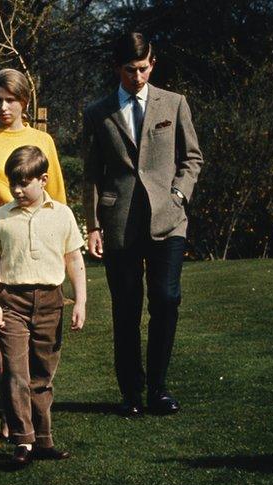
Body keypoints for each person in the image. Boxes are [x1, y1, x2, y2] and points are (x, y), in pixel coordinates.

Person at [82, 32, 203, 417]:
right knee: (127, 308)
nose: (139, 76)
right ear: (118, 68)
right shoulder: (98, 112)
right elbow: (91, 175)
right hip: (119, 221)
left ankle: (159, 389)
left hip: (168, 219)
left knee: (166, 299)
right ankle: (131, 393)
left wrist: (179, 195)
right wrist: (93, 224)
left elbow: (192, 158)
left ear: (153, 62)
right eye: (131, 70)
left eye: (145, 68)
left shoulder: (175, 103)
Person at [0, 145, 86, 465]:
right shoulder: (1, 217)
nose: (16, 190)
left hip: (51, 302)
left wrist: (80, 300)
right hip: (12, 302)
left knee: (42, 375)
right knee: (15, 372)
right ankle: (22, 441)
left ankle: (43, 440)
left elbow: (74, 259)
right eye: (13, 182)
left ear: (43, 180)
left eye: (24, 183)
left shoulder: (62, 214)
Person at [0, 68, 68, 310]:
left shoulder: (43, 141)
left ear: (24, 101)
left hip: (36, 238)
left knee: (38, 314)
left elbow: (57, 198)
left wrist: (63, 245)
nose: (3, 107)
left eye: (10, 100)